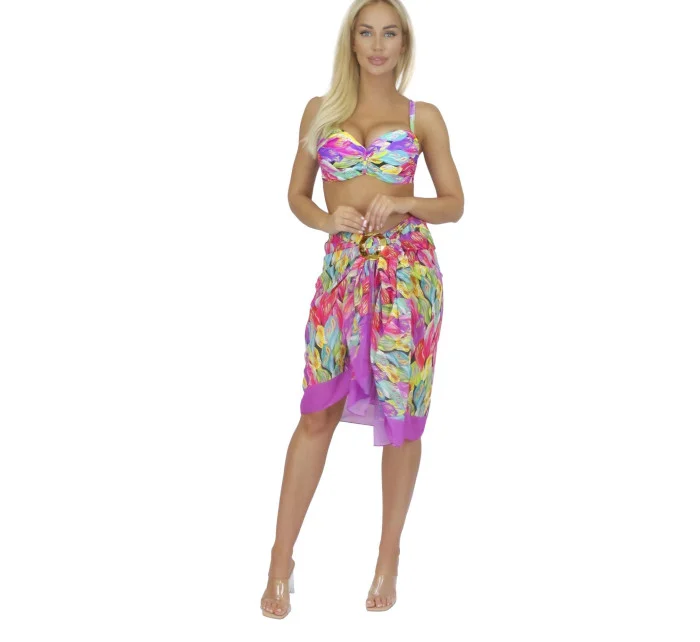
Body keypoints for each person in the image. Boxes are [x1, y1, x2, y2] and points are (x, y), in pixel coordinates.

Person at [260, 0, 464, 618]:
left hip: (408, 275)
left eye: (389, 34)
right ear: (351, 42)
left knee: (402, 414)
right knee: (316, 411)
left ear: (404, 44)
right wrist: (327, 220)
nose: (378, 45)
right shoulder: (320, 112)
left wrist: (405, 204)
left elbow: (454, 203)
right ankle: (280, 560)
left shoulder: (422, 116)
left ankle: (387, 557)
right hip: (344, 272)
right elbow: (297, 195)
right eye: (367, 33)